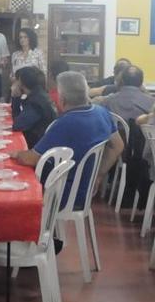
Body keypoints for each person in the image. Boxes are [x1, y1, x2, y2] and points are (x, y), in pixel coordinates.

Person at [10, 71, 124, 208]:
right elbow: (118, 146)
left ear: (62, 99)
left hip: (60, 192)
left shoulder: (65, 123)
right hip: (86, 189)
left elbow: (30, 159)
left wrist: (16, 154)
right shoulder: (102, 113)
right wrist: (98, 175)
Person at [11, 66, 57, 147]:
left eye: (17, 80)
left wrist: (16, 98)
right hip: (41, 141)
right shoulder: (39, 94)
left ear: (22, 83)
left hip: (37, 146)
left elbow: (18, 126)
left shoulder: (36, 101)